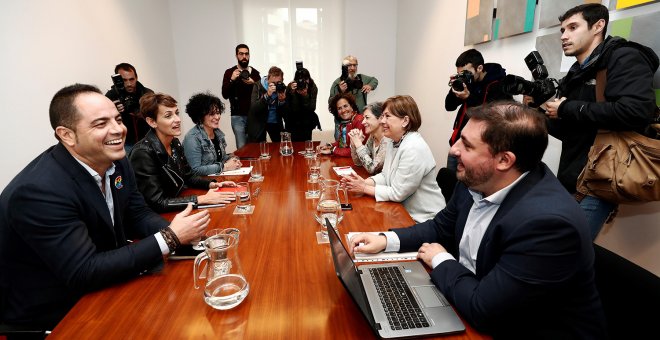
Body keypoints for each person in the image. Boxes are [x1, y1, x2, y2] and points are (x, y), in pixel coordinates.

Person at [349, 101, 607, 339]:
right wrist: (385, 239)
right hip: (470, 302)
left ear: (504, 160)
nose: (454, 150)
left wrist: (440, 259)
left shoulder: (548, 224)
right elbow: (440, 227)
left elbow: (485, 310)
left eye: (467, 145)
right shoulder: (477, 179)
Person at [0, 84, 211, 331]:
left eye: (118, 119)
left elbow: (138, 214)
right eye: (101, 124)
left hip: (107, 284)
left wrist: (188, 236)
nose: (118, 130)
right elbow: (83, 271)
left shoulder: (117, 162)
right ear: (67, 135)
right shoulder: (39, 191)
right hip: (57, 315)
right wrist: (170, 237)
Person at [544, 3, 658, 239]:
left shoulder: (624, 57)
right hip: (570, 177)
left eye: (572, 27)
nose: (564, 36)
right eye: (562, 30)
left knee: (567, 255)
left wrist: (567, 107)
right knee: (557, 251)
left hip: (598, 182)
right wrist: (536, 111)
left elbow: (635, 111)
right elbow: (568, 129)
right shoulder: (577, 71)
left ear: (598, 26)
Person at [341, 95, 445, 222]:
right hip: (401, 212)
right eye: (382, 116)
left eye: (387, 116)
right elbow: (385, 176)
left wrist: (364, 188)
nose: (382, 121)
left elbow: (397, 193)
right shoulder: (393, 140)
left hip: (424, 219)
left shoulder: (413, 148)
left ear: (405, 121)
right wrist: (364, 182)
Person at [129, 93, 235, 213]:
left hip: (177, 203)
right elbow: (157, 202)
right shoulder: (143, 153)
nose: (178, 119)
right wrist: (200, 199)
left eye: (177, 113)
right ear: (152, 122)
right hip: (156, 215)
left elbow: (189, 176)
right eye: (168, 116)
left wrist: (212, 184)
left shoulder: (174, 142)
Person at [445, 49, 511, 172]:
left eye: (466, 73)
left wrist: (468, 97)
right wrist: (455, 86)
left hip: (480, 150)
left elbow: (491, 116)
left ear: (479, 68)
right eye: (460, 74)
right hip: (458, 143)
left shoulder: (498, 84)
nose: (464, 76)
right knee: (450, 183)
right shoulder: (468, 81)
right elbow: (449, 106)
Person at [182, 92, 242, 176]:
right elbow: (195, 170)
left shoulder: (217, 133)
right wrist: (225, 167)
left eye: (218, 113)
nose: (217, 117)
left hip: (216, 180)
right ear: (200, 116)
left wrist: (233, 159)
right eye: (212, 114)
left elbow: (221, 158)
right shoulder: (192, 138)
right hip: (201, 185)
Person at [105, 62, 154, 152]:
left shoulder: (147, 93)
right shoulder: (111, 96)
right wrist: (114, 111)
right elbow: (104, 121)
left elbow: (154, 117)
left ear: (136, 78)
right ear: (117, 80)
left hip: (147, 140)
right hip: (124, 142)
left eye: (132, 79)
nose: (129, 84)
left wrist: (139, 111)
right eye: (124, 80)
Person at [222, 44, 260, 150]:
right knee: (242, 148)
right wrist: (232, 79)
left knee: (255, 148)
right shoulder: (229, 72)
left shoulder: (255, 73)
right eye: (241, 54)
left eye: (246, 54)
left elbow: (262, 95)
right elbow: (224, 94)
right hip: (237, 116)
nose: (244, 56)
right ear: (236, 56)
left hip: (254, 116)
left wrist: (254, 83)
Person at [317, 93, 367, 157]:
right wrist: (329, 145)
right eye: (339, 108)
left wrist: (332, 150)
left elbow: (356, 150)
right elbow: (342, 143)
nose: (343, 110)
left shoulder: (359, 120)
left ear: (352, 107)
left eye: (345, 106)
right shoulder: (346, 123)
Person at [348, 102, 390, 174]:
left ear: (380, 118)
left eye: (367, 117)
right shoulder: (372, 136)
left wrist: (358, 144)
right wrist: (354, 144)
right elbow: (358, 163)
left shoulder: (388, 140)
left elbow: (373, 169)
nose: (363, 122)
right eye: (363, 118)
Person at [248, 66, 288, 143]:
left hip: (275, 122)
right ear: (267, 79)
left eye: (278, 83)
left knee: (279, 147)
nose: (275, 85)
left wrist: (282, 101)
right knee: (259, 149)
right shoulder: (258, 86)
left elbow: (286, 114)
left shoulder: (282, 88)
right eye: (273, 83)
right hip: (259, 122)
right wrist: (267, 95)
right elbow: (254, 108)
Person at [286, 67, 321, 141]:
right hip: (292, 121)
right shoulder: (291, 87)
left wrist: (305, 96)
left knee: (306, 144)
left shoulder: (313, 87)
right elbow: (291, 109)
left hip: (306, 121)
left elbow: (312, 108)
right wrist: (293, 93)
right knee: (293, 145)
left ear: (309, 78)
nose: (303, 82)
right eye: (301, 80)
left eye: (306, 79)